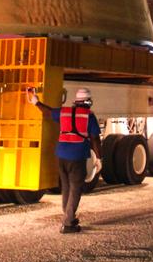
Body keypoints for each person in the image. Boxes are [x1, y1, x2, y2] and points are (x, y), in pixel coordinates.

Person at [27, 84, 102, 233]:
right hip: (77, 156)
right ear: (88, 101)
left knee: (66, 187)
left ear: (76, 101)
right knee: (75, 188)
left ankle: (68, 215)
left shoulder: (64, 112)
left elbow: (47, 112)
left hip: (61, 155)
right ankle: (68, 223)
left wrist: (36, 102)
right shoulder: (89, 116)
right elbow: (95, 139)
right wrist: (99, 158)